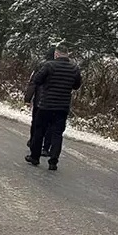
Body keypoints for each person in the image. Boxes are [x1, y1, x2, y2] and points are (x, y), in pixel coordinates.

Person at [25, 43, 82, 171]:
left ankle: (35, 157)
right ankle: (53, 162)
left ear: (56, 54)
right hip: (62, 107)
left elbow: (37, 80)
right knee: (57, 134)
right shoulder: (74, 68)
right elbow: (76, 85)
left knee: (39, 130)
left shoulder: (49, 66)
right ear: (68, 54)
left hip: (46, 105)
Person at [25, 44, 56, 152]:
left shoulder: (41, 65)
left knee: (36, 122)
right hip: (55, 101)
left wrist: (28, 98)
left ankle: (33, 141)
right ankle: (46, 146)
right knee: (50, 125)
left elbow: (33, 82)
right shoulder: (61, 66)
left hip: (40, 99)